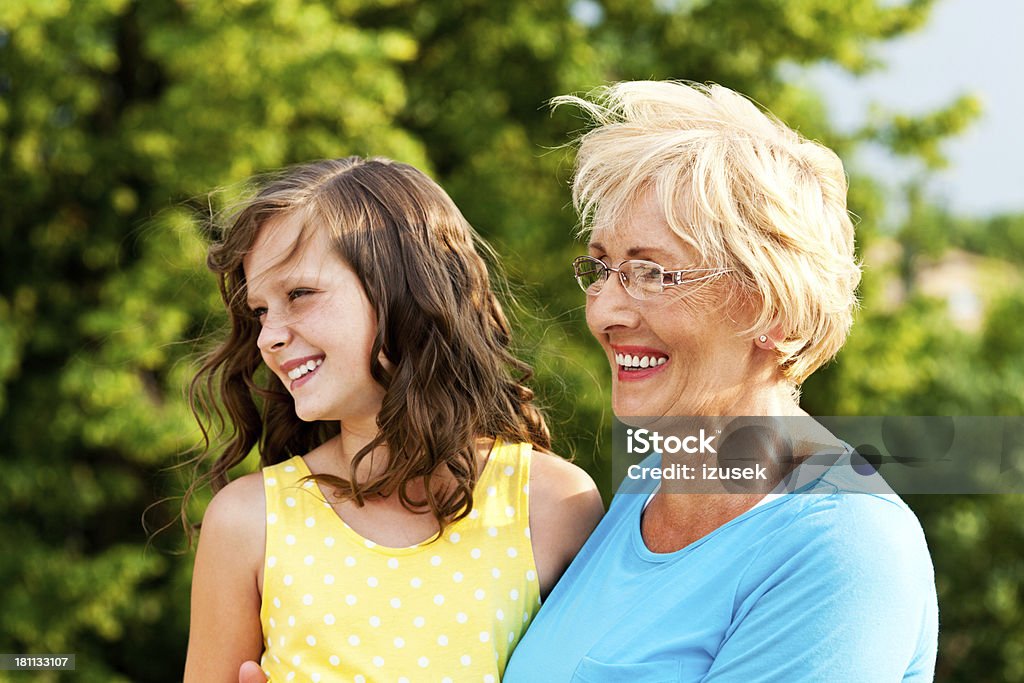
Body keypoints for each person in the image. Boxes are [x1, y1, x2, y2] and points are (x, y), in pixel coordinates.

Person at [503, 81, 938, 681]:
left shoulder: (845, 544)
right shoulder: (650, 486)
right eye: (602, 268)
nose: (604, 311)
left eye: (652, 273)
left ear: (773, 310)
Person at [182, 156, 604, 682]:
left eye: (299, 295)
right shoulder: (248, 522)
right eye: (261, 310)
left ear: (408, 290)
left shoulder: (554, 505)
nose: (269, 335)